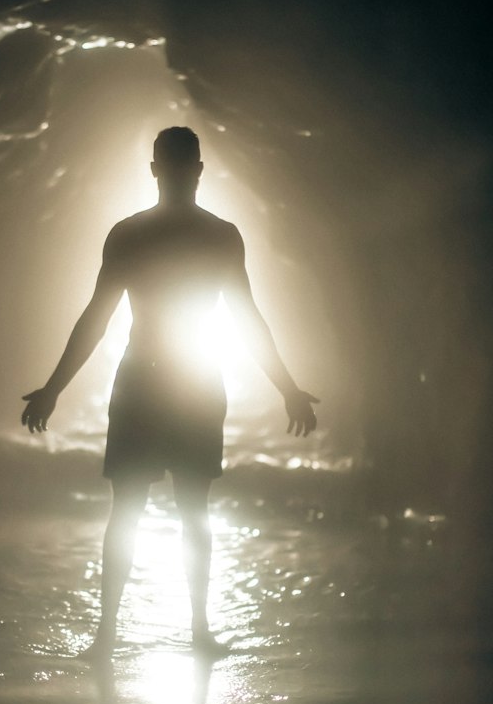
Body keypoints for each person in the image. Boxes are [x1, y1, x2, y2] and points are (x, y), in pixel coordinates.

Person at [21, 126, 318, 660]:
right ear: (194, 169)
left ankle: (111, 635)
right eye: (183, 166)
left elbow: (97, 318)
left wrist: (53, 389)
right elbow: (246, 319)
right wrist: (287, 388)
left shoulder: (131, 234)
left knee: (132, 510)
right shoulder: (219, 235)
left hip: (145, 379)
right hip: (194, 381)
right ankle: (192, 633)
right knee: (188, 512)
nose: (181, 174)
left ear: (156, 168)